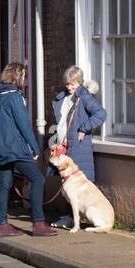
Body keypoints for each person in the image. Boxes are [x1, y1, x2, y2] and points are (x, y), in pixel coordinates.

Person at [0, 63, 57, 238]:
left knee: (4, 184)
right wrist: (35, 148)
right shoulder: (15, 97)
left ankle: (2, 225)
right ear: (18, 77)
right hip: (15, 148)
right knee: (37, 178)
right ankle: (38, 223)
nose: (25, 80)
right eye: (24, 76)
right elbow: (24, 125)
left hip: (0, 147)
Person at [48, 68, 107, 225]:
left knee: (75, 185)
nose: (69, 87)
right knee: (67, 185)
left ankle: (76, 218)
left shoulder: (84, 97)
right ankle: (70, 217)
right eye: (67, 84)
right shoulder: (63, 97)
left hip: (78, 147)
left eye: (72, 84)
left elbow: (101, 114)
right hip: (64, 146)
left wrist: (84, 128)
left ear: (79, 82)